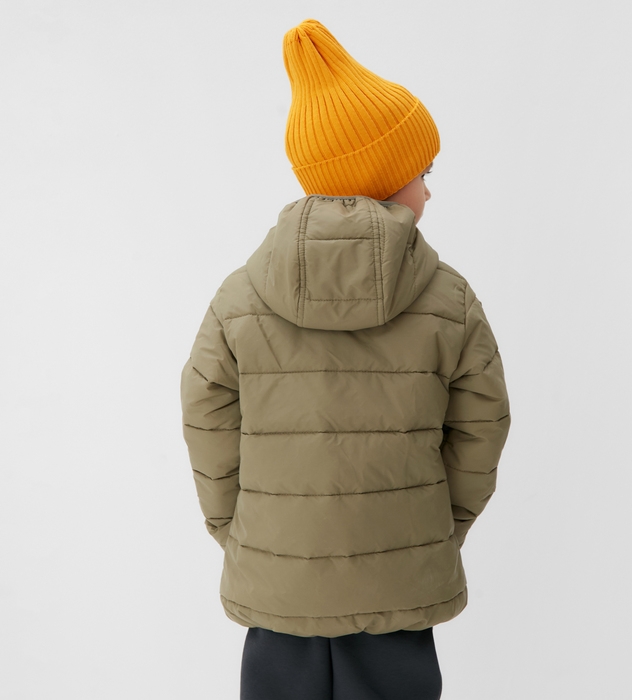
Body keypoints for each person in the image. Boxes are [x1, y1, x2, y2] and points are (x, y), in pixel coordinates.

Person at [180, 18, 511, 700]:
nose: (428, 190)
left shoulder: (241, 297)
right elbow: (482, 427)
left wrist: (243, 530)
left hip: (279, 585)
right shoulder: (449, 299)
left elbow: (205, 416)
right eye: (422, 172)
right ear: (383, 176)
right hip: (400, 583)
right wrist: (430, 527)